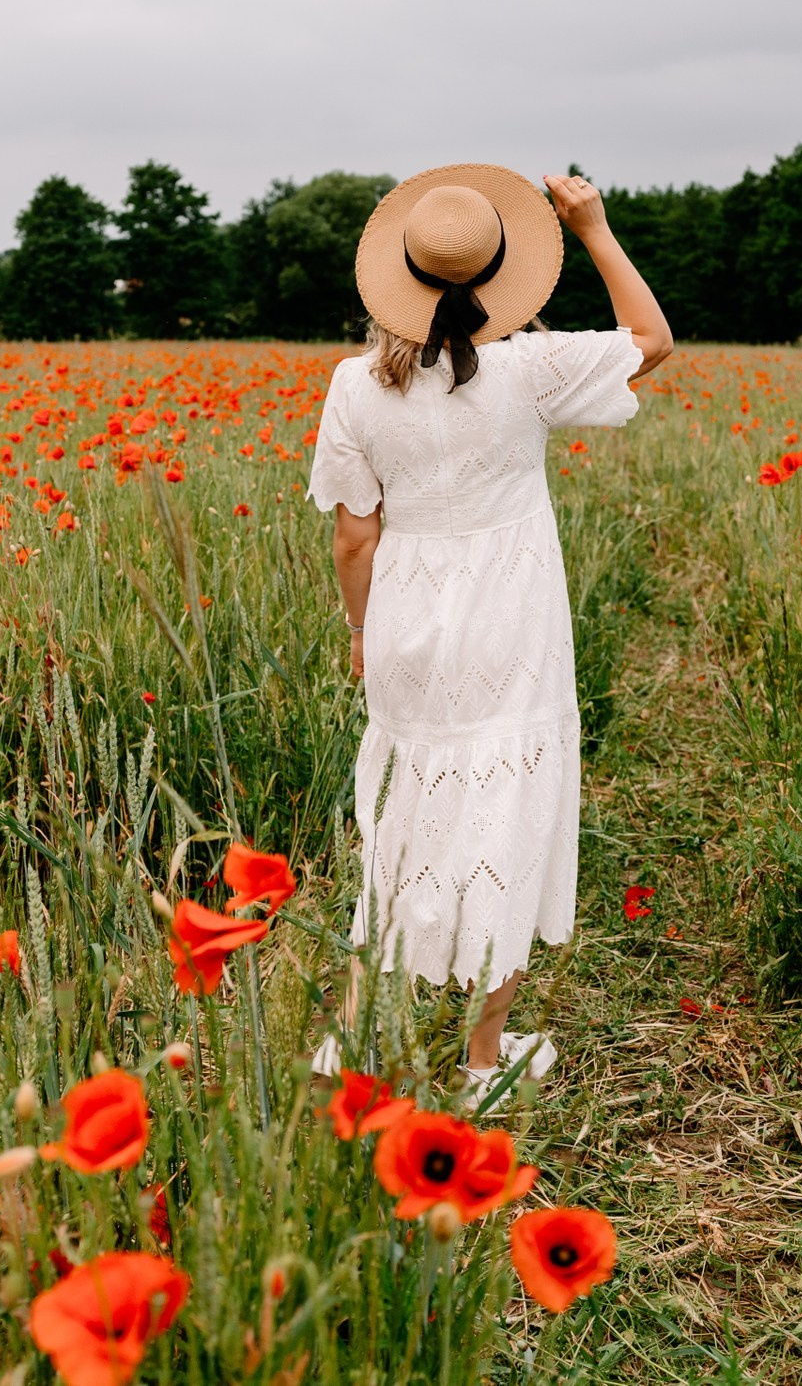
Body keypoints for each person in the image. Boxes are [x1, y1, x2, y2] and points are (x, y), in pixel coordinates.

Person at [305, 165, 672, 1091]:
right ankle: (478, 1062)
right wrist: (590, 225)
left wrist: (361, 628)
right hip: (511, 630)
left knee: (402, 824)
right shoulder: (528, 371)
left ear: (396, 274)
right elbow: (651, 339)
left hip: (406, 627)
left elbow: (355, 536)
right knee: (502, 823)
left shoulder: (354, 385)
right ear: (504, 274)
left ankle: (352, 1045)